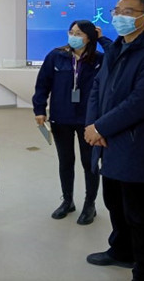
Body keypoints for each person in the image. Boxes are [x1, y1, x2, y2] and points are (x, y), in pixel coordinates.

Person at [84, 0, 144, 281]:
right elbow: (97, 88)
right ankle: (122, 251)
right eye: (117, 10)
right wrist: (93, 126)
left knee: (139, 210)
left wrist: (101, 128)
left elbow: (142, 100)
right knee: (114, 201)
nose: (119, 16)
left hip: (136, 143)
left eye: (127, 12)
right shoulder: (116, 47)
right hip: (107, 140)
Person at [32, 20, 104, 224]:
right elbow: (42, 84)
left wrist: (102, 40)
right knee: (65, 161)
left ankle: (90, 204)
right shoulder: (56, 56)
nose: (73, 36)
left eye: (79, 33)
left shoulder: (100, 59)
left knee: (89, 163)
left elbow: (115, 66)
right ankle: (67, 201)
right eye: (71, 32)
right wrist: (39, 109)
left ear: (90, 37)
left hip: (88, 121)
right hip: (60, 117)